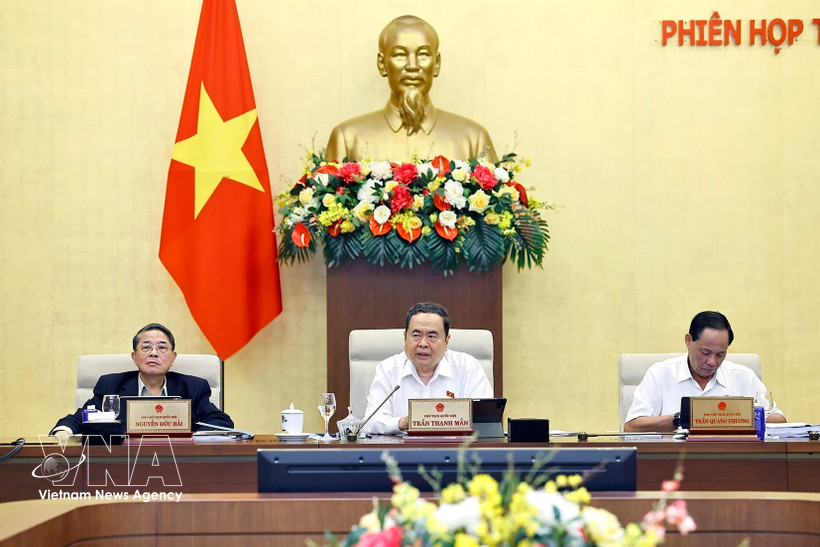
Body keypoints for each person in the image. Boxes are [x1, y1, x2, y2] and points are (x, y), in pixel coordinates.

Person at [326, 15, 497, 163]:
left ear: (436, 64)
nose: (413, 66)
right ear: (382, 64)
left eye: (423, 54)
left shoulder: (473, 140)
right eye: (400, 54)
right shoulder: (347, 139)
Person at [51, 323, 233, 437]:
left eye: (162, 348)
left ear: (173, 358)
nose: (153, 352)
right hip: (123, 463)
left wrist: (194, 438)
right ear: (134, 357)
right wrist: (63, 432)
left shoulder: (193, 387)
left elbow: (220, 421)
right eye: (146, 347)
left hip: (179, 462)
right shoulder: (111, 386)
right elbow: (80, 419)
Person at [624, 311, 786, 432]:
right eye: (705, 352)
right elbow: (631, 427)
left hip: (731, 462)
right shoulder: (660, 374)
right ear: (688, 340)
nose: (712, 362)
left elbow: (779, 420)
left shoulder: (743, 377)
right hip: (674, 463)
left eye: (720, 354)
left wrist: (738, 417)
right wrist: (681, 419)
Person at [363, 302, 493, 435]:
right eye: (416, 335)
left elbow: (485, 421)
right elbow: (371, 422)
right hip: (401, 452)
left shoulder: (468, 368)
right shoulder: (388, 369)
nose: (423, 344)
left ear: (446, 341)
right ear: (405, 337)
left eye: (432, 336)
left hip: (456, 452)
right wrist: (405, 422)